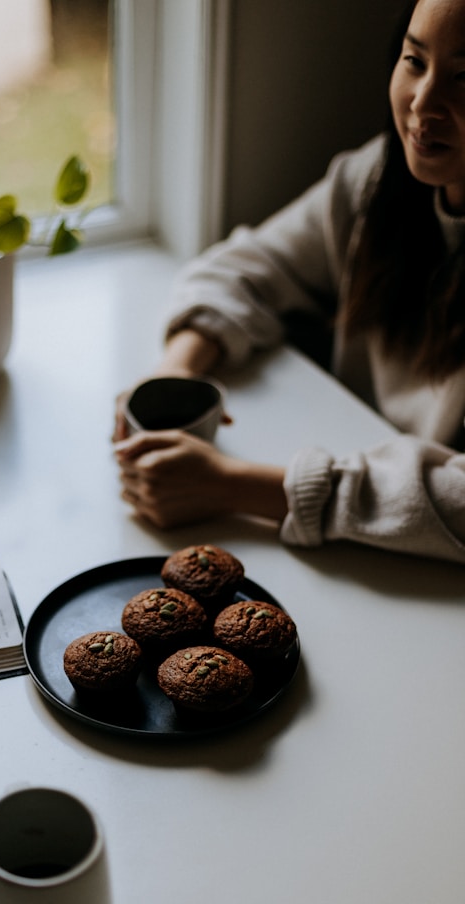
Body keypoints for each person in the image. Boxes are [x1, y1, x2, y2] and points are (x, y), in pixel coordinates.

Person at [113, 0, 465, 565]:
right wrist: (175, 374)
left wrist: (236, 486)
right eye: (414, 60)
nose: (424, 102)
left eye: (463, 77)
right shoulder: (377, 178)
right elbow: (246, 264)